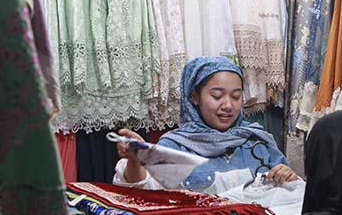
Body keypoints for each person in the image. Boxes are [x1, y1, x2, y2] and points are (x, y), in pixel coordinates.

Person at [114, 56, 297, 194]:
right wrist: (135, 160)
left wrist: (287, 176)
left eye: (235, 96)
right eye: (217, 96)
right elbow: (143, 193)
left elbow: (288, 189)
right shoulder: (175, 147)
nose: (227, 105)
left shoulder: (258, 141)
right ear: (194, 97)